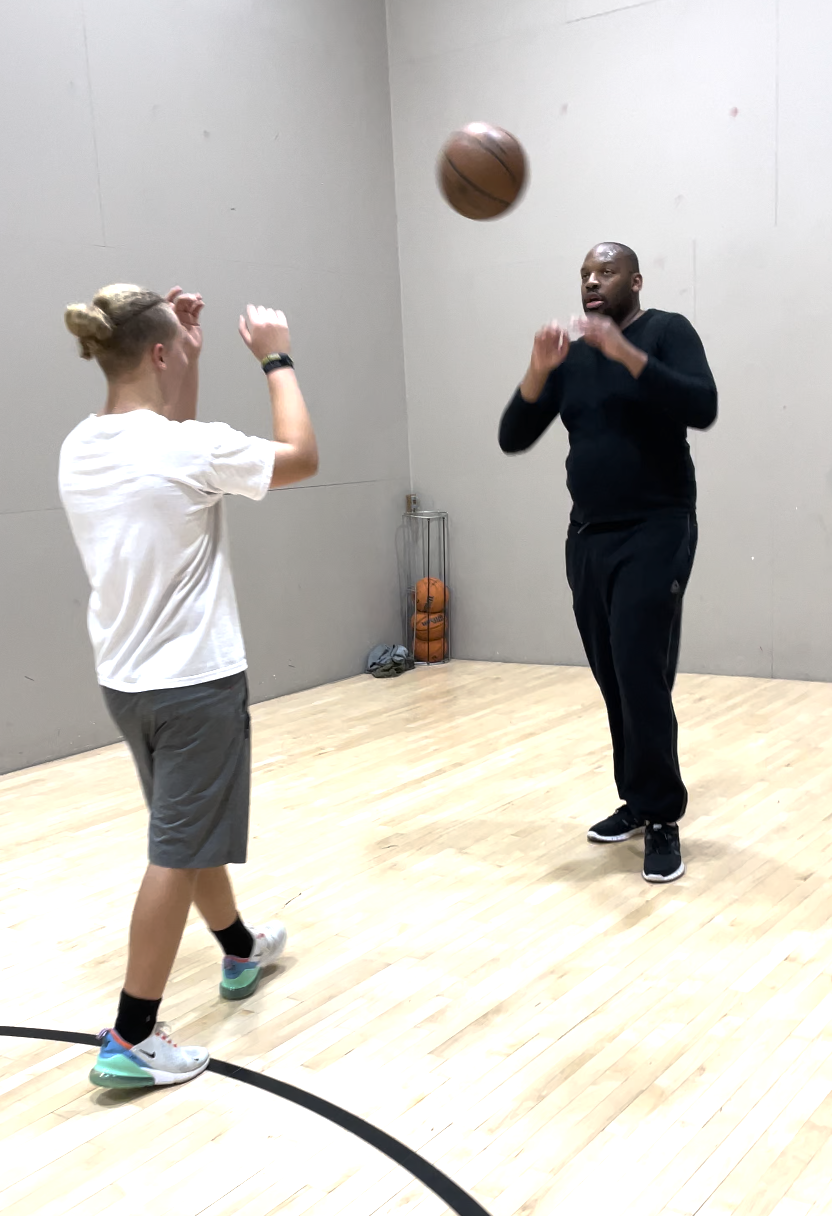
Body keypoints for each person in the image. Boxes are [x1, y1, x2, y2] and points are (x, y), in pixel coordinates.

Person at [59, 284, 318, 1087]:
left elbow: (179, 441)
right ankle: (134, 1033)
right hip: (194, 685)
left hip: (127, 683)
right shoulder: (185, 448)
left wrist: (193, 355)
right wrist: (274, 356)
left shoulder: (82, 444)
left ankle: (239, 948)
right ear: (160, 354)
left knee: (189, 827)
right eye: (179, 347)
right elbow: (302, 455)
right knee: (176, 847)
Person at [499, 243, 717, 883]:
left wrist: (628, 355)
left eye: (606, 272)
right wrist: (538, 372)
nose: (593, 282)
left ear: (636, 280)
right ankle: (637, 799)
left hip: (658, 525)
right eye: (585, 275)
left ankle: (663, 816)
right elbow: (514, 436)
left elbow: (701, 406)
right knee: (612, 673)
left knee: (639, 667)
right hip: (589, 534)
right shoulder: (569, 356)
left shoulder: (666, 331)